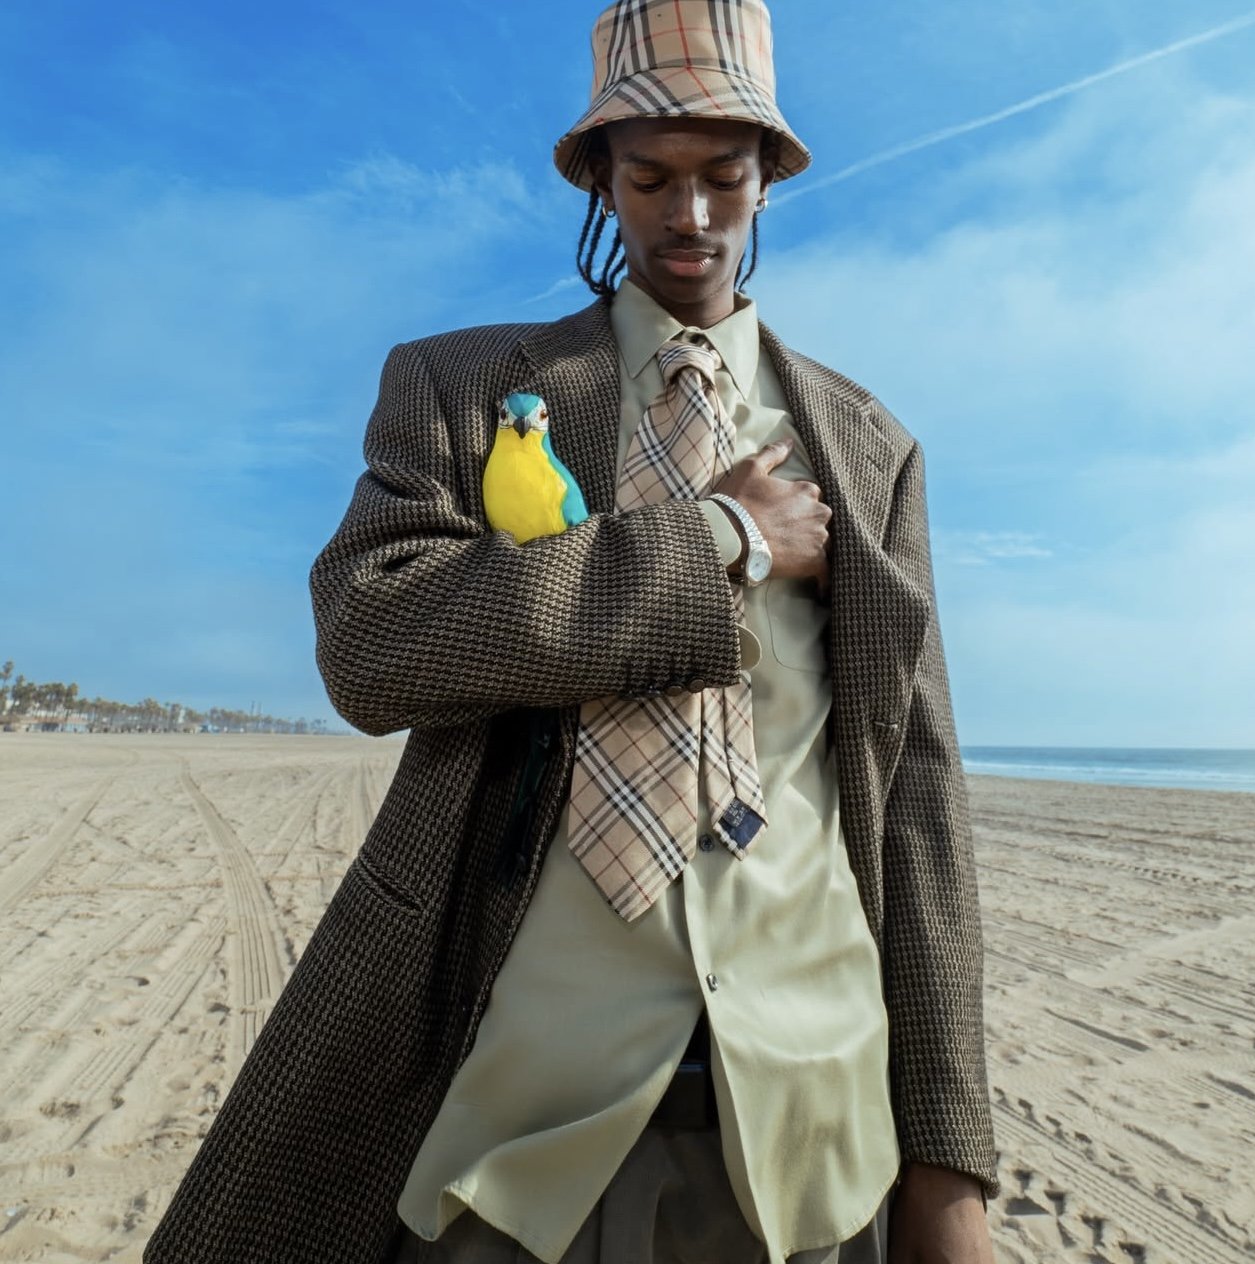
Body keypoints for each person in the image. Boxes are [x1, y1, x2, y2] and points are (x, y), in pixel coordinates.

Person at [144, 3, 997, 1262]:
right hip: (521, 1110)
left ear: (769, 181)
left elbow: (913, 795)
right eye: (649, 177)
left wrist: (947, 1164)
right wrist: (718, 541)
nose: (689, 217)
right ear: (597, 178)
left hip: (811, 1104)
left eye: (722, 178)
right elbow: (372, 643)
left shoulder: (867, 450)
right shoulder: (464, 390)